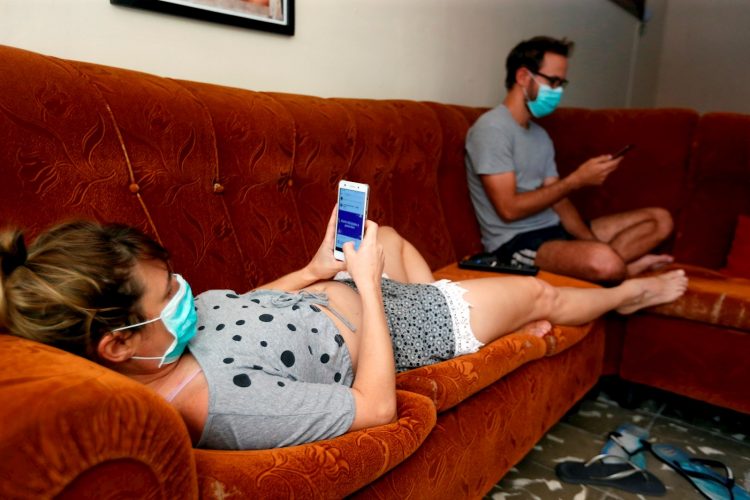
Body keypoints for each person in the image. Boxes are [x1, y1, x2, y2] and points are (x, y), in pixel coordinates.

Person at [0, 209, 687, 450]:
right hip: (409, 325)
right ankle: (625, 294)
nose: (187, 295)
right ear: (117, 344)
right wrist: (366, 288)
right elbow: (376, 406)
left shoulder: (162, 345)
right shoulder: (228, 409)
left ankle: (485, 309)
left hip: (347, 296)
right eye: (168, 293)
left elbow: (237, 310)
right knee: (542, 292)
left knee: (381, 233)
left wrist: (310, 269)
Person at [465, 36, 674, 283]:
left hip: (555, 230)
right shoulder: (492, 129)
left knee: (659, 220)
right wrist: (576, 180)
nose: (557, 91)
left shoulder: (540, 135)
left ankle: (614, 270)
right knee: (605, 262)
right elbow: (509, 209)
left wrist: (589, 242)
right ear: (523, 77)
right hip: (516, 242)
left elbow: (559, 200)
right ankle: (625, 272)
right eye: (552, 82)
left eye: (561, 83)